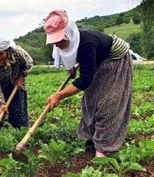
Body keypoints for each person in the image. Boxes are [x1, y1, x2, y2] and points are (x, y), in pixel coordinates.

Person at [43, 10, 133, 157]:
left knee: (109, 102)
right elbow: (69, 56)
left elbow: (85, 80)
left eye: (61, 40)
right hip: (99, 60)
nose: (58, 44)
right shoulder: (61, 44)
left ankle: (104, 147)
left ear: (69, 34)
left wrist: (59, 95)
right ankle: (89, 138)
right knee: (90, 100)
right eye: (55, 41)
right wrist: (70, 67)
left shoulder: (86, 43)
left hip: (116, 59)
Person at [0, 38, 33, 138]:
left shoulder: (18, 53)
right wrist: (0, 103)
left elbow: (29, 64)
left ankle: (21, 132)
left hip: (16, 81)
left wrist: (21, 76)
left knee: (18, 107)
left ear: (7, 51)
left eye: (1, 54)